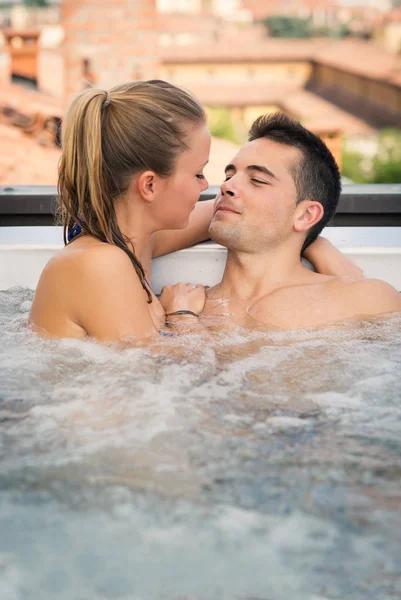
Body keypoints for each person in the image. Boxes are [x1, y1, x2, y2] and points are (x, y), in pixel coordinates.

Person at [29, 81, 362, 342]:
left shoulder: (134, 238)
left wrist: (314, 241)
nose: (210, 187)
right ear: (149, 186)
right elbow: (164, 383)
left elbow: (250, 217)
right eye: (199, 173)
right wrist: (182, 316)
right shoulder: (101, 264)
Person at [203, 112, 401, 330]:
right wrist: (181, 318)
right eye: (229, 176)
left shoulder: (367, 300)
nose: (226, 186)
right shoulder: (184, 306)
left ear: (306, 215)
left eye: (257, 180)